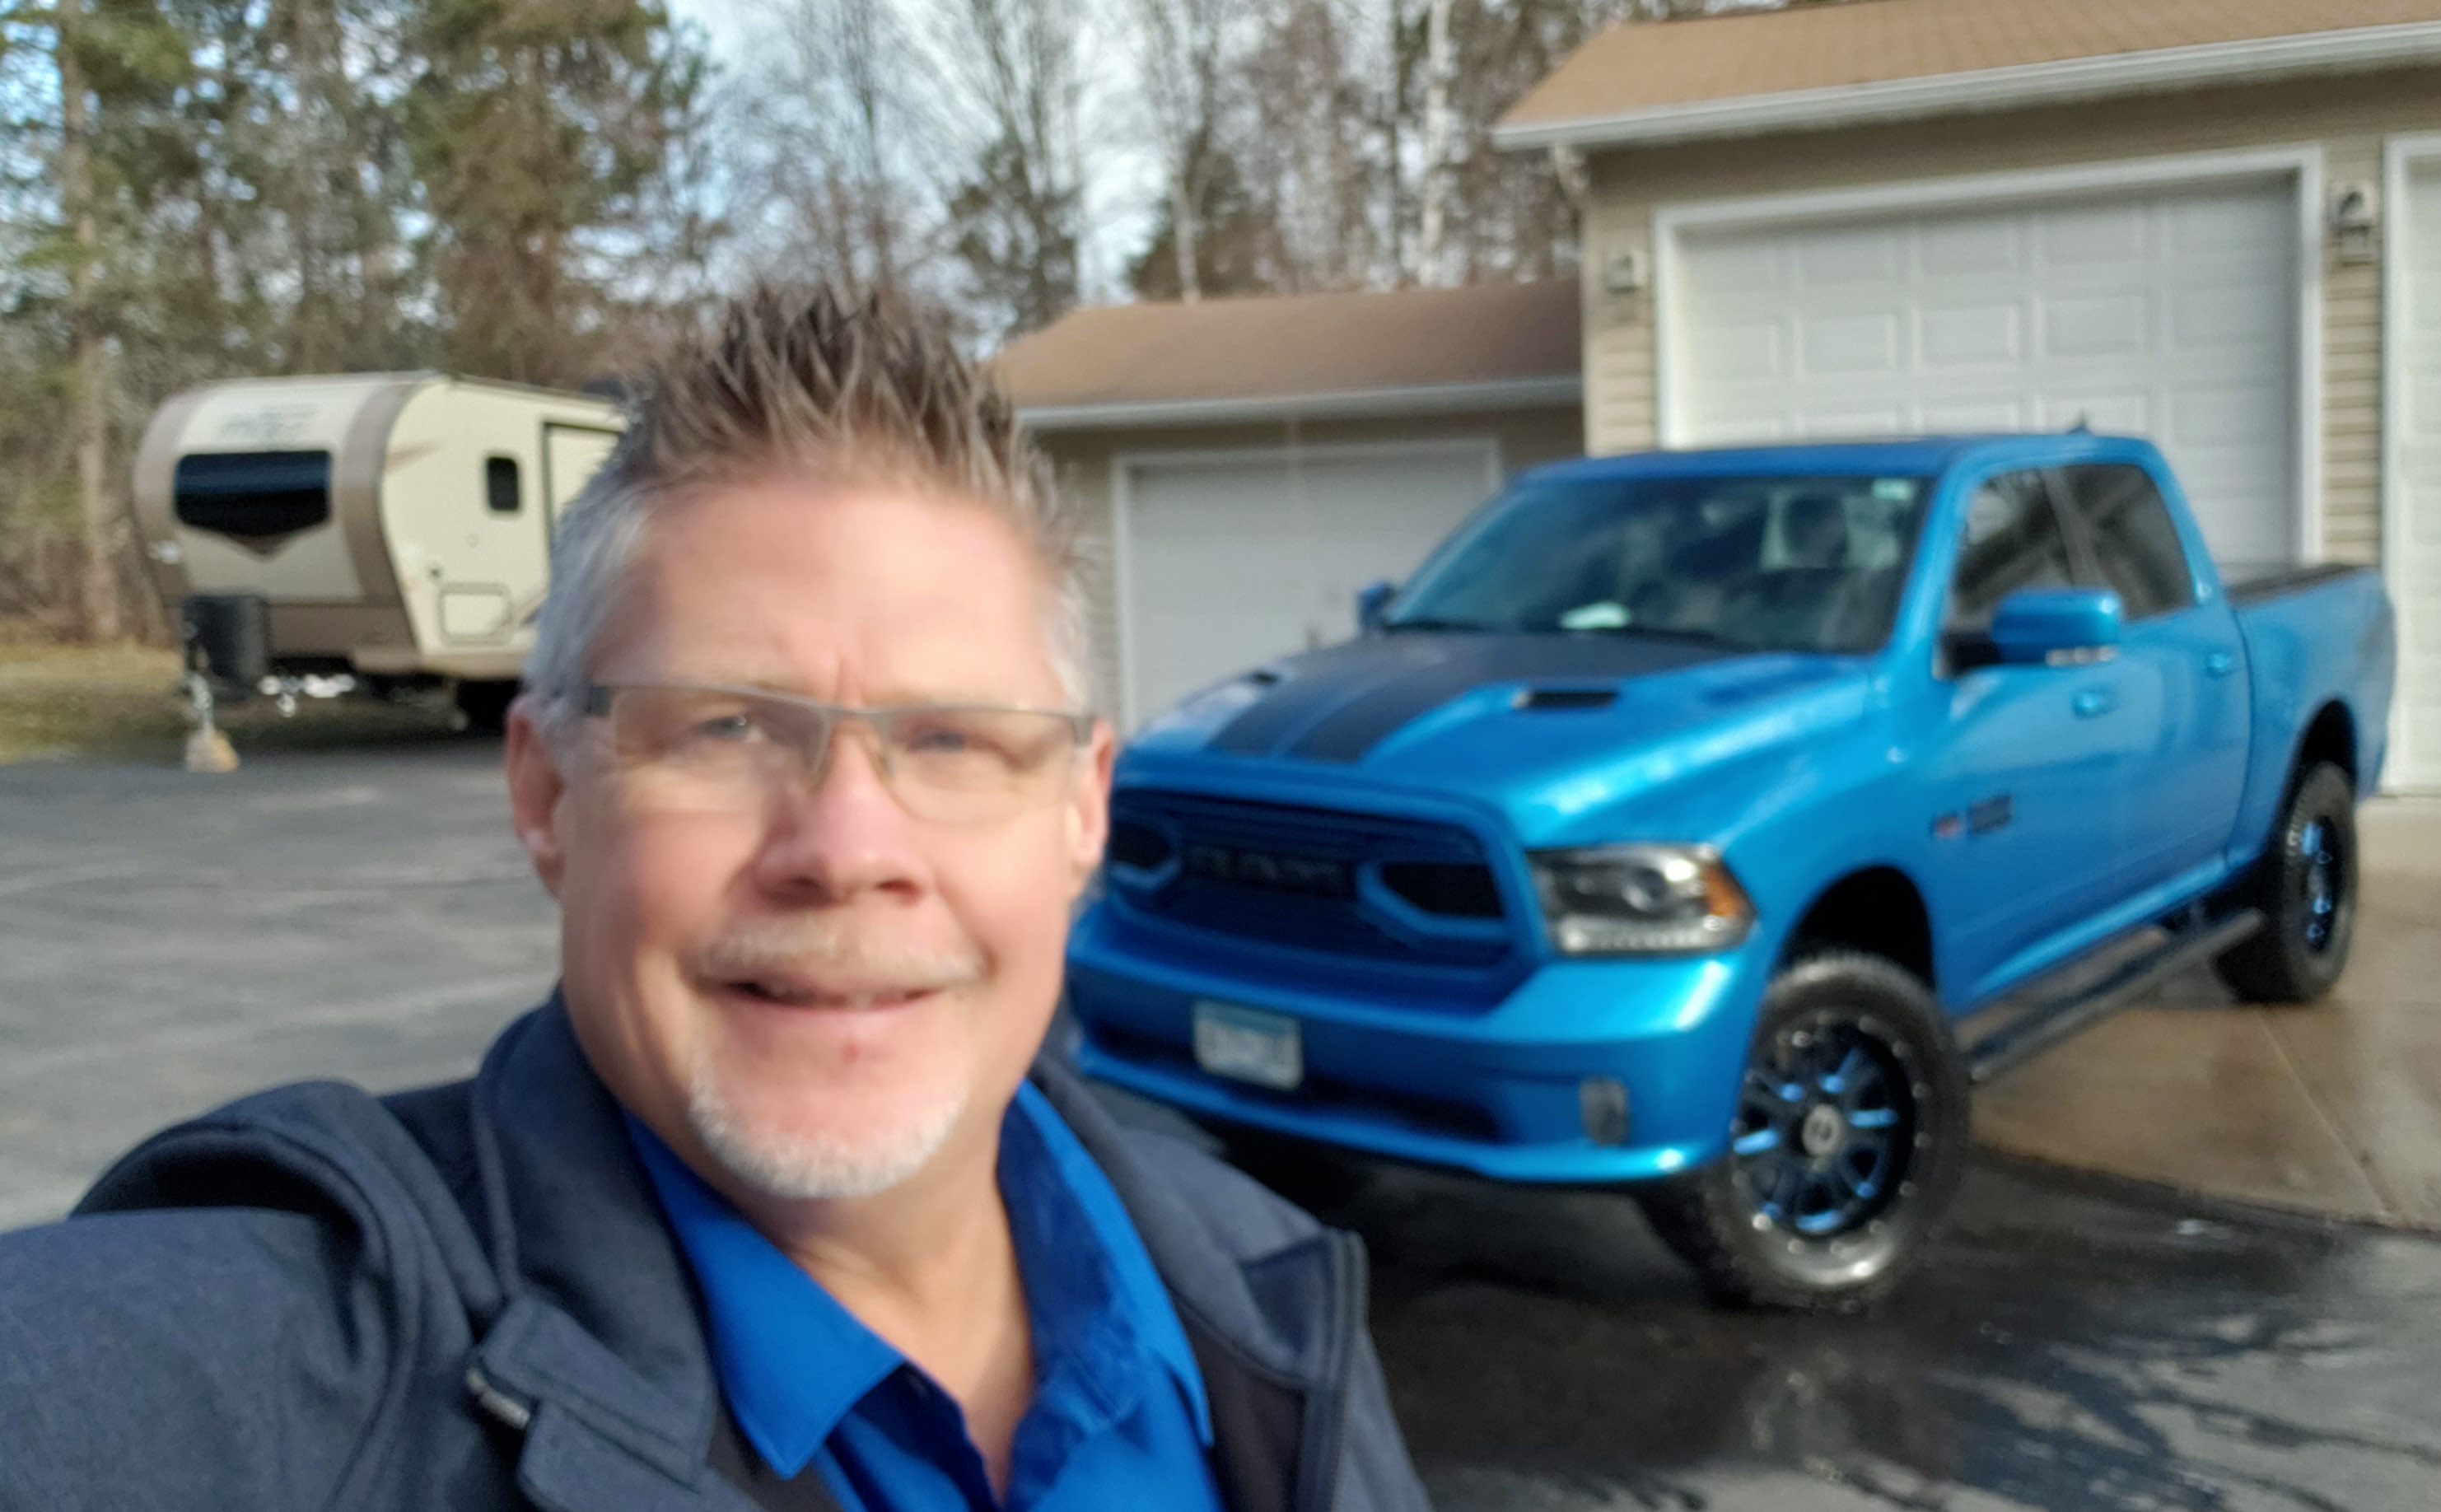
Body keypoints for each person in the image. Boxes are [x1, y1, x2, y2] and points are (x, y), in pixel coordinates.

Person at [0, 283, 1432, 1512]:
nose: (847, 845)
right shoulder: (305, 1361)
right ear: (548, 796)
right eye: (727, 727)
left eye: (952, 739)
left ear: (1081, 809)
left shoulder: (1268, 1289)